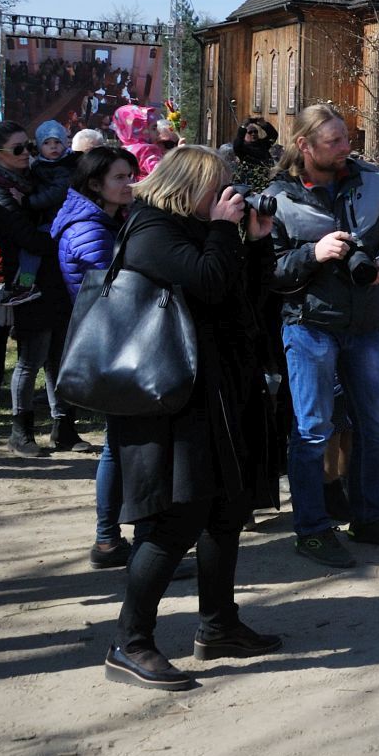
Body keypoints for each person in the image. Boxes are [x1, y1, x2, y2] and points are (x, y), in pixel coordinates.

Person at [103, 145, 282, 691]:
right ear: (190, 186)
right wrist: (226, 232)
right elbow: (206, 282)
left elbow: (243, 301)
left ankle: (218, 624)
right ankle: (130, 643)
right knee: (173, 520)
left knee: (226, 510)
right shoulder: (152, 229)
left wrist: (257, 242)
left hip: (216, 392)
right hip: (167, 401)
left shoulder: (202, 231)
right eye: (219, 187)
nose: (227, 196)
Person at [266, 104, 379, 569]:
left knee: (375, 429)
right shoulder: (277, 197)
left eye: (345, 139)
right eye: (333, 142)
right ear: (304, 146)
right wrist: (314, 252)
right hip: (309, 326)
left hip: (366, 324)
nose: (345, 148)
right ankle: (312, 530)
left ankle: (369, 517)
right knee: (312, 431)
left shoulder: (371, 180)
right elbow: (268, 271)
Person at [52, 145, 142, 566]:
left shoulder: (100, 218)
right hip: (110, 343)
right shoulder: (90, 226)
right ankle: (110, 540)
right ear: (95, 184)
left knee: (119, 444)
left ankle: (112, 539)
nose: (129, 184)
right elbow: (115, 287)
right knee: (120, 446)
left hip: (112, 340)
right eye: (120, 178)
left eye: (131, 175)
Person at [0, 117, 79, 455]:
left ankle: (63, 427)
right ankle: (20, 431)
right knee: (31, 359)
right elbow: (26, 239)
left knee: (58, 355)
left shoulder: (33, 179)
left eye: (30, 147)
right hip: (27, 284)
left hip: (54, 279)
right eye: (19, 149)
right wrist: (72, 240)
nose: (28, 154)